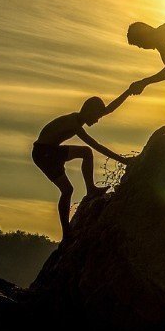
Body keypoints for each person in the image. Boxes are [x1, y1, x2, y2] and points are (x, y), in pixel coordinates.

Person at [32, 90, 131, 237]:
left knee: (68, 188)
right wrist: (123, 160)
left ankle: (68, 229)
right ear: (89, 111)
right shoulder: (73, 123)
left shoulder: (80, 119)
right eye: (96, 116)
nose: (97, 120)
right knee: (84, 157)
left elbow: (108, 110)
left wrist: (128, 92)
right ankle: (88, 194)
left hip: (49, 151)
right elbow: (95, 145)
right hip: (44, 153)